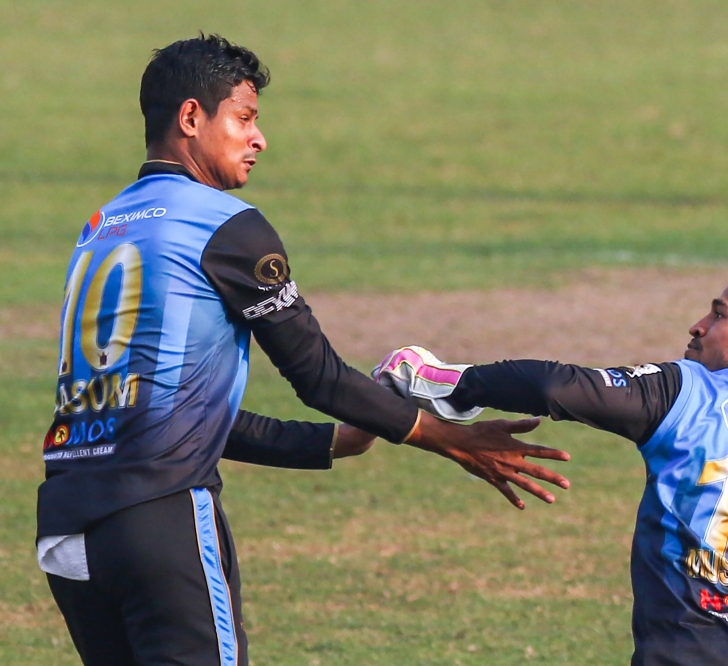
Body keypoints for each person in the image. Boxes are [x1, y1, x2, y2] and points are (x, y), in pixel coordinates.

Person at [37, 34, 569, 666]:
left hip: (68, 528)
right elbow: (318, 376)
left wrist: (327, 442)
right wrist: (443, 436)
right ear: (190, 118)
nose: (258, 139)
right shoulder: (226, 226)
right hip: (161, 518)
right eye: (244, 118)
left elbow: (169, 416)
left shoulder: (101, 227)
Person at [373, 255, 728, 666]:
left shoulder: (690, 393)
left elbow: (555, 385)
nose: (698, 325)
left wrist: (444, 383)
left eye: (718, 314)